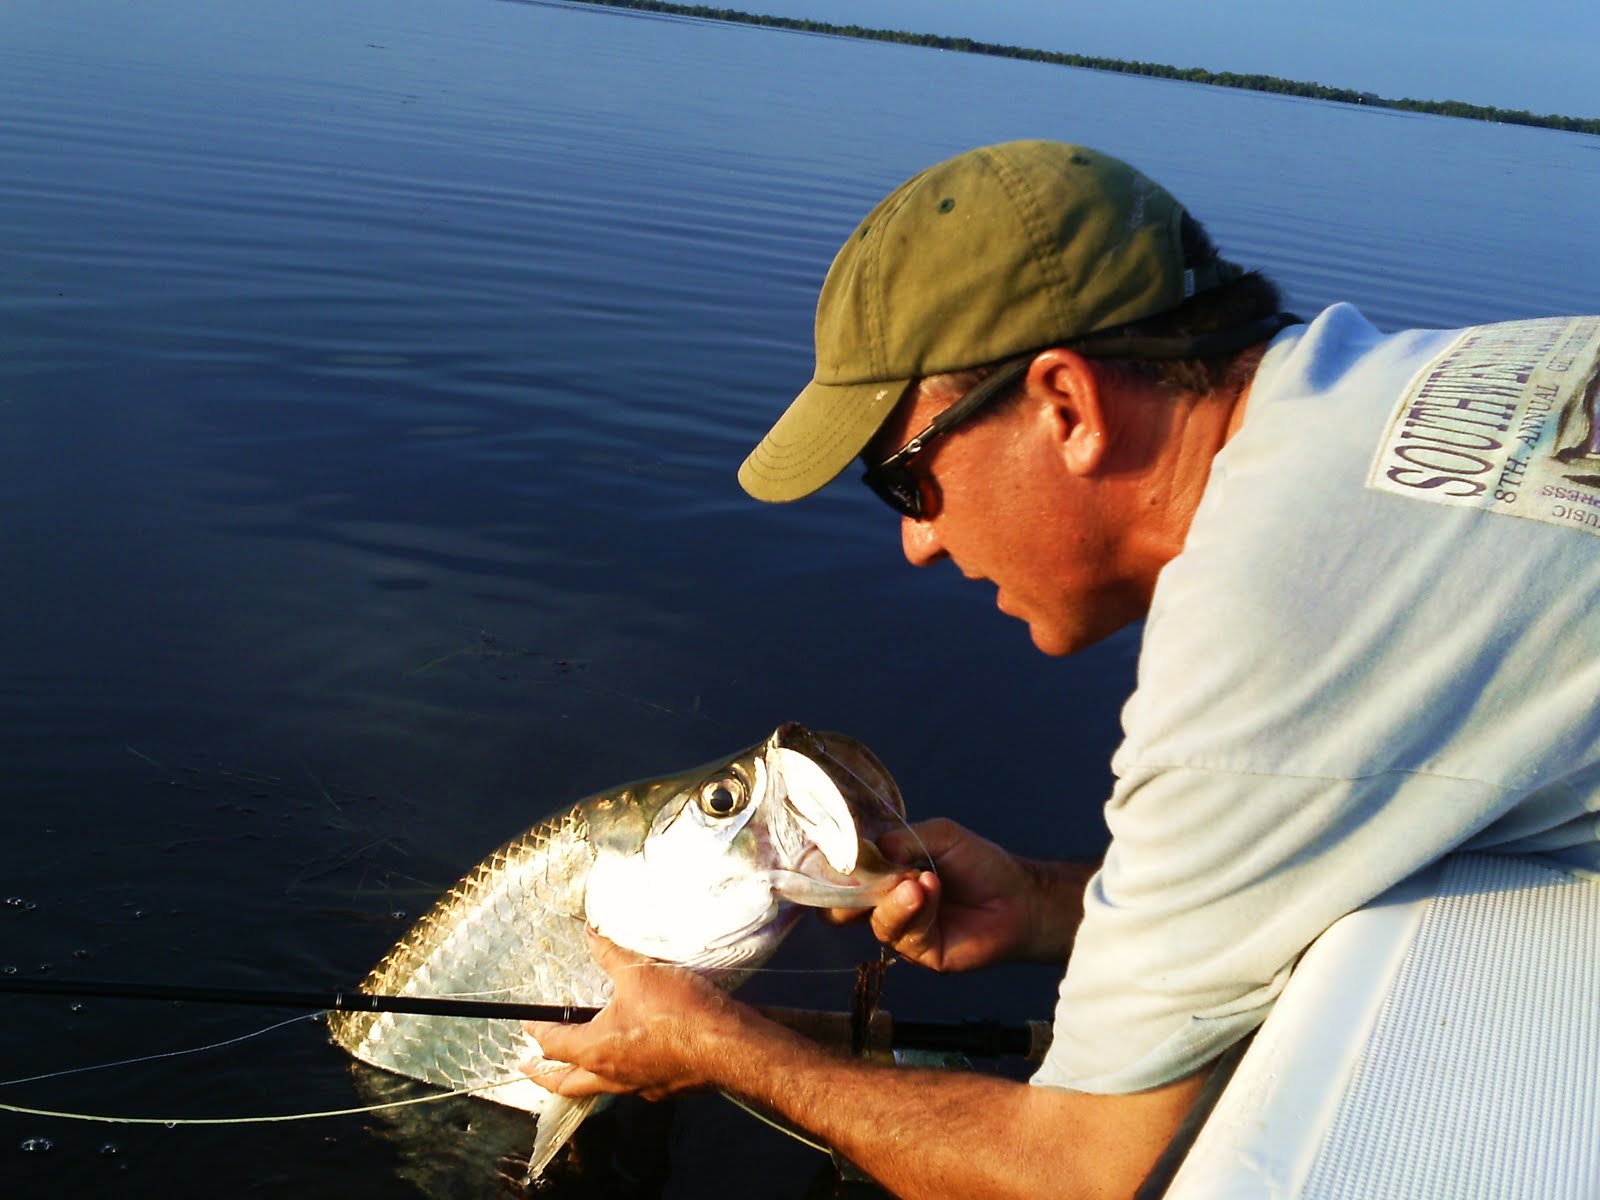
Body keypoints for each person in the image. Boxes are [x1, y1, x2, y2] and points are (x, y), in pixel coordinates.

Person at [522, 140, 1600, 1198]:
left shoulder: (1266, 622)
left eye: (903, 479)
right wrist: (1046, 905)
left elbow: (1074, 1176)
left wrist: (720, 1049)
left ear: (1067, 407)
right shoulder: (1392, 382)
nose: (916, 543)